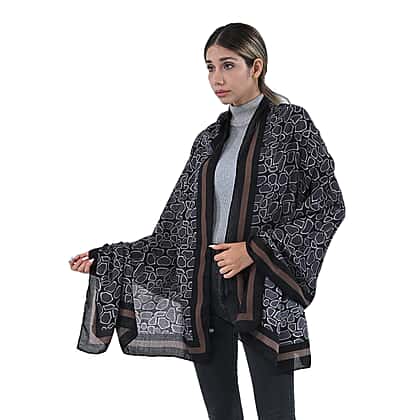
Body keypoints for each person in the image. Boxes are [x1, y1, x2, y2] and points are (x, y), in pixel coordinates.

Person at [70, 22, 345, 420]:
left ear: (256, 67)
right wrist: (109, 258)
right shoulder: (208, 140)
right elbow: (174, 232)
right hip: (204, 291)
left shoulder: (291, 125)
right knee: (221, 413)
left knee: (276, 413)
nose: (217, 78)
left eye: (228, 65)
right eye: (210, 67)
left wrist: (254, 251)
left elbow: (328, 204)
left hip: (263, 290)